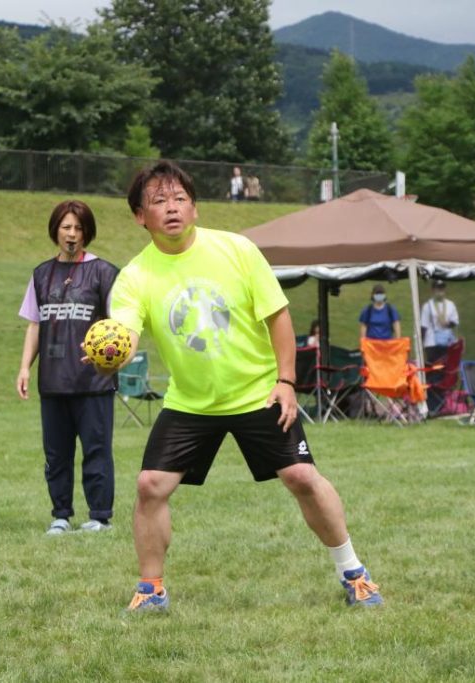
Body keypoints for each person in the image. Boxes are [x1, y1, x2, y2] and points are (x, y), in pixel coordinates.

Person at [106, 160, 381, 613]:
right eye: (158, 201)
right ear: (140, 216)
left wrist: (287, 382)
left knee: (302, 477)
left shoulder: (237, 250)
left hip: (258, 392)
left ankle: (353, 572)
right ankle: (151, 588)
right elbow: (126, 329)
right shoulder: (136, 276)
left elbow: (278, 316)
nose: (171, 208)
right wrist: (111, 350)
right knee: (150, 485)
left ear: (194, 208)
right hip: (192, 403)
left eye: (179, 198)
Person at [16, 200, 119, 535]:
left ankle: (99, 516)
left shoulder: (104, 272)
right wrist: (25, 369)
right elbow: (34, 324)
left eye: (78, 228)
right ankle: (60, 515)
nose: (72, 234)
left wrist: (110, 358)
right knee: (56, 454)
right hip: (53, 381)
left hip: (94, 382)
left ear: (87, 231)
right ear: (55, 231)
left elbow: (119, 325)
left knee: (96, 450)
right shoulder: (41, 274)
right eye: (66, 227)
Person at [420, 280, 459, 361]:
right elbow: (424, 326)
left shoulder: (450, 304)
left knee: (446, 368)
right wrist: (421, 344)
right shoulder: (428, 306)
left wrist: (447, 324)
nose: (440, 291)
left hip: (447, 342)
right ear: (433, 290)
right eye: (438, 288)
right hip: (431, 343)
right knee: (434, 368)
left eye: (442, 288)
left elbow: (455, 321)